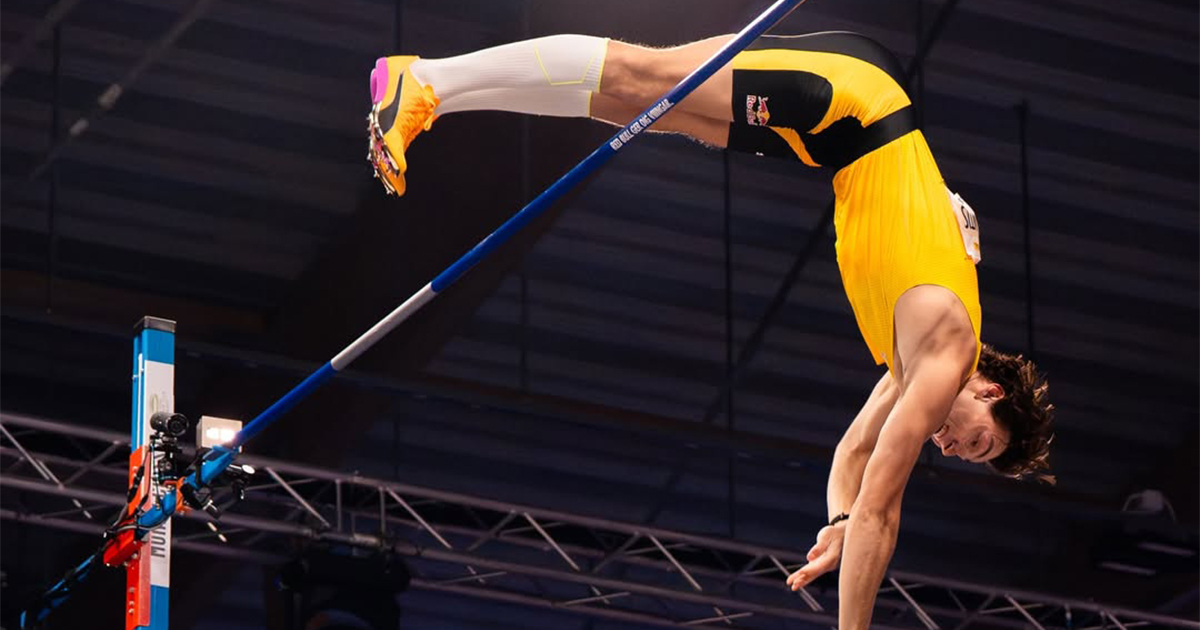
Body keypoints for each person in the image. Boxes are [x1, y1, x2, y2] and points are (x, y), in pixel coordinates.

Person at [365, 31, 1054, 629]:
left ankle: (432, 89)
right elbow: (882, 505)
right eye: (977, 442)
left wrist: (836, 524)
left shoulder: (911, 371)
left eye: (966, 457)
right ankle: (426, 80)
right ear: (990, 393)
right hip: (854, 102)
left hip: (833, 140)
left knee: (650, 109)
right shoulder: (945, 357)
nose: (955, 448)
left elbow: (850, 457)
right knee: (650, 77)